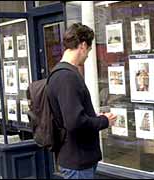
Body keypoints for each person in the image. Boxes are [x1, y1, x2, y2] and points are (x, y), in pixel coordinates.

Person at [46, 23, 117, 179]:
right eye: (89, 50)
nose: (88, 55)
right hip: (77, 161)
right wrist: (103, 121)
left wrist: (92, 117)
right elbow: (74, 122)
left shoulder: (60, 74)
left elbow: (71, 115)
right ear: (83, 45)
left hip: (75, 158)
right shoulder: (67, 77)